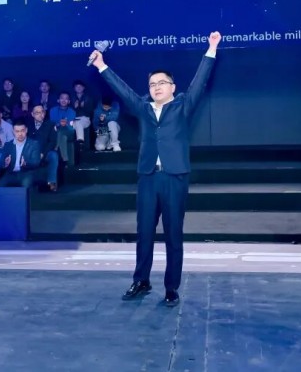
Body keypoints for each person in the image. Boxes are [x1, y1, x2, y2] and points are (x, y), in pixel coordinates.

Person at [90, 30, 221, 308]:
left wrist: (211, 48)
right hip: (148, 177)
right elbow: (123, 90)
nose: (156, 87)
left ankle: (171, 287)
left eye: (162, 83)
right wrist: (102, 65)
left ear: (173, 87)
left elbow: (200, 80)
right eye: (152, 84)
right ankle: (141, 280)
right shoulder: (143, 107)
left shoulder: (183, 105)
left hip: (174, 177)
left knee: (173, 234)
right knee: (145, 233)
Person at [0, 120, 42, 188]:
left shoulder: (34, 144)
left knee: (25, 184)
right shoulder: (8, 145)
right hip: (11, 173)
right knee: (0, 183)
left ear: (26, 130)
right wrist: (5, 163)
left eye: (22, 131)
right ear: (13, 132)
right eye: (17, 131)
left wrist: (26, 163)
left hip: (27, 173)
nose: (20, 134)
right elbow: (0, 163)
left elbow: (36, 162)